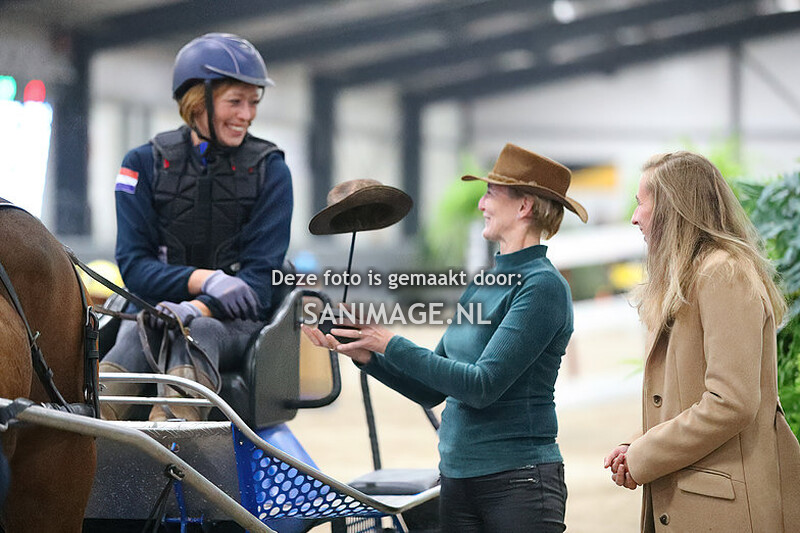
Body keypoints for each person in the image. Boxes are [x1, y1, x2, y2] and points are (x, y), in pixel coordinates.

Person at [304, 143, 588, 532]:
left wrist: (389, 342)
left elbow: (482, 386)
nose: (481, 204)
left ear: (524, 206)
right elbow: (431, 389)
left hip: (517, 482)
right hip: (457, 478)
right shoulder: (486, 282)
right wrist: (367, 353)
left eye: (491, 194)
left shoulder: (542, 287)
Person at [99, 33, 293, 422]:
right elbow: (134, 267)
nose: (247, 114)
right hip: (153, 312)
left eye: (253, 102)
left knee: (198, 331)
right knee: (139, 330)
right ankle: (95, 422)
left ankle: (175, 430)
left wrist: (195, 307)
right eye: (235, 101)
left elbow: (258, 283)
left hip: (234, 325)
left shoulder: (272, 171)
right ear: (196, 101)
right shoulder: (141, 164)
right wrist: (204, 280)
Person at [604, 151, 800, 532]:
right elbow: (686, 397)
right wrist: (636, 445)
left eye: (641, 203)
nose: (635, 217)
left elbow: (732, 402)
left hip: (725, 510)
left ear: (673, 207)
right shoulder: (694, 277)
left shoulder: (723, 273)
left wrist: (645, 455)